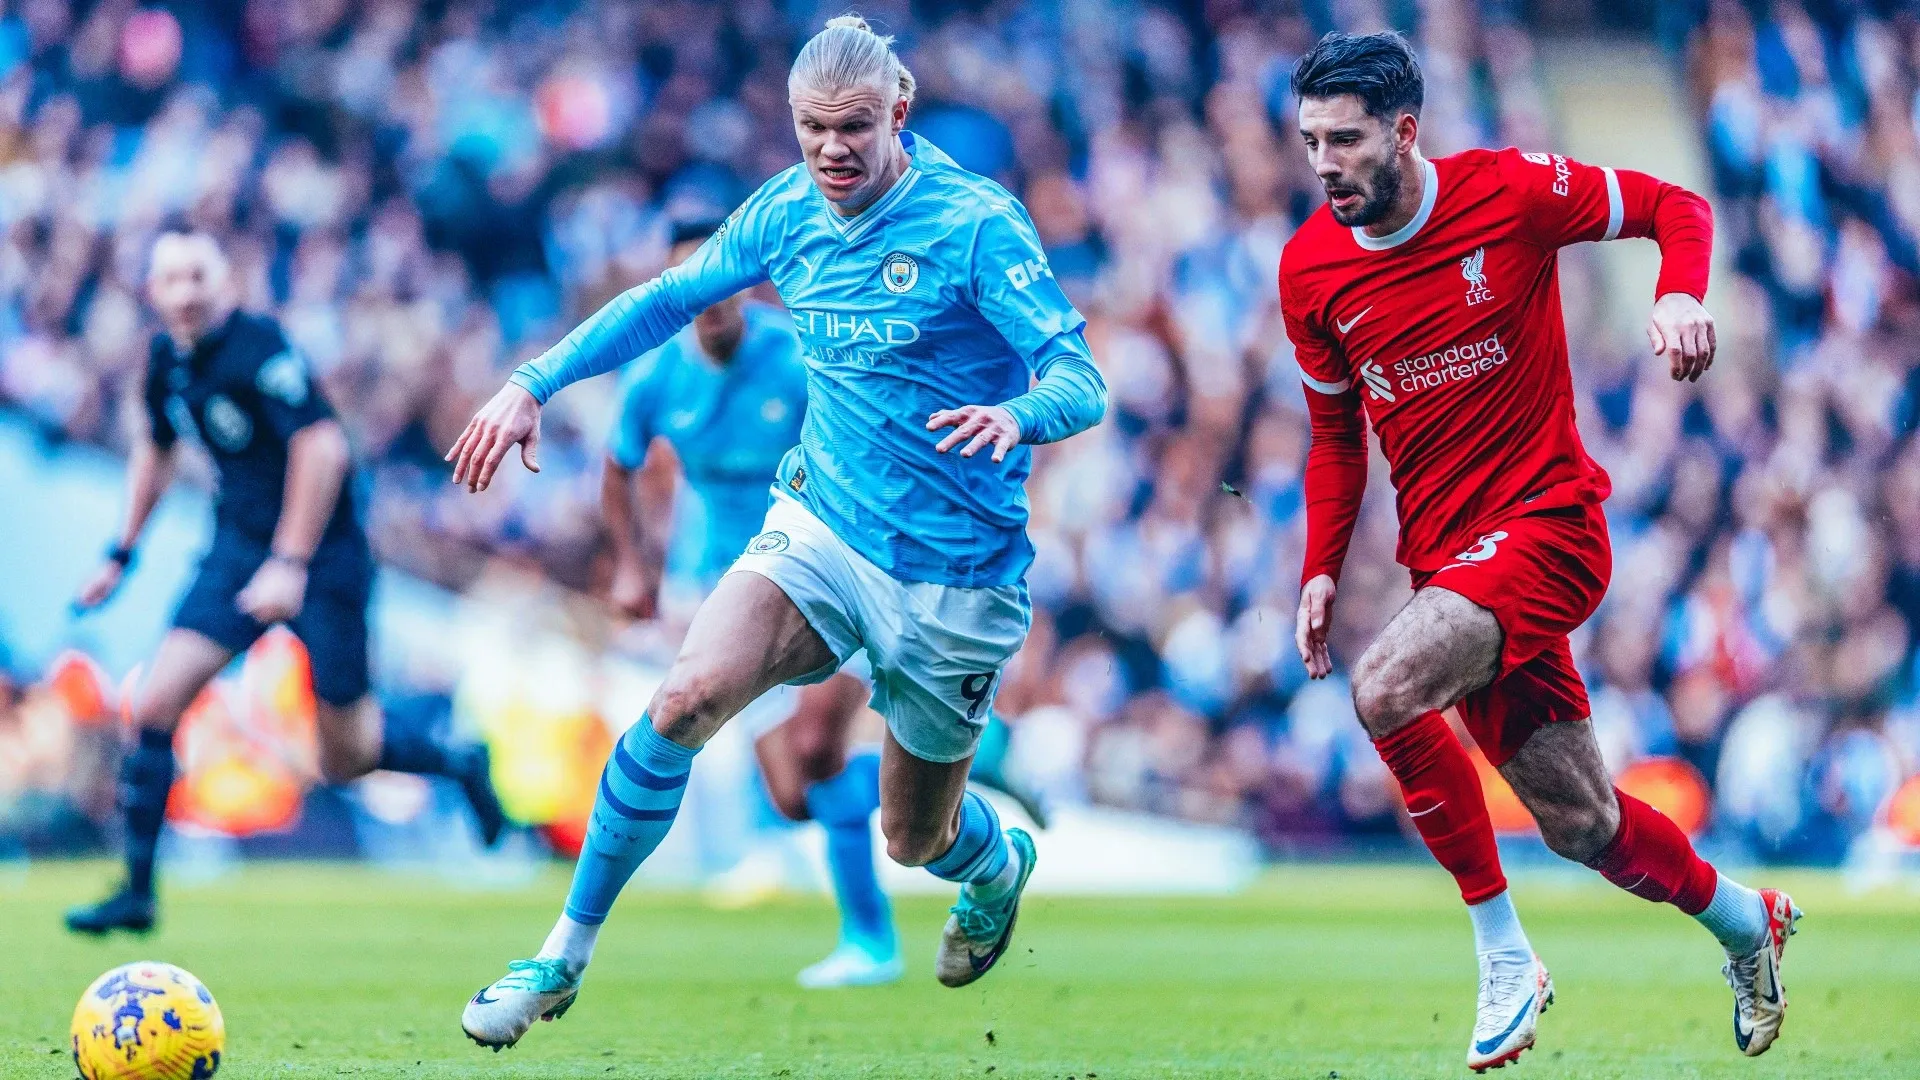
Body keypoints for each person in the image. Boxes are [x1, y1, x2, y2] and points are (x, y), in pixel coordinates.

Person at [452, 15, 1105, 1050]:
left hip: (957, 575)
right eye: (812, 132)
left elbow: (1081, 380)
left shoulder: (974, 223)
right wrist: (533, 382)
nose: (832, 152)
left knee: (913, 835)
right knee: (683, 697)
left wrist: (1017, 415)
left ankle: (992, 863)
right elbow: (668, 299)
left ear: (900, 109)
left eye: (852, 128)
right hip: (823, 532)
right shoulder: (785, 212)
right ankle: (562, 957)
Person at [1279, 32, 1799, 1072]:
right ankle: (1749, 923)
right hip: (1451, 571)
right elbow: (1336, 435)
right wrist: (1322, 565)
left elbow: (1675, 208)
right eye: (1309, 142)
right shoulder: (1310, 270)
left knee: (1384, 690)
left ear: (1405, 130)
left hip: (1551, 527)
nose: (1324, 163)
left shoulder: (1510, 194)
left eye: (1344, 139)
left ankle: (1505, 954)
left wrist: (1679, 294)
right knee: (1583, 823)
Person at [64, 230, 508, 936]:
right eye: (170, 280)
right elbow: (156, 445)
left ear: (224, 283)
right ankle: (138, 891)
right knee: (153, 702)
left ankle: (458, 762)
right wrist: (120, 553)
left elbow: (322, 444)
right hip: (236, 551)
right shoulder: (165, 359)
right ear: (152, 291)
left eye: (197, 278)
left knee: (346, 757)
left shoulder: (260, 346)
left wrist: (291, 561)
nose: (184, 293)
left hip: (323, 563)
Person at [599, 215, 901, 989]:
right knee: (798, 796)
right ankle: (966, 766)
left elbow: (868, 443)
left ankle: (871, 938)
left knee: (814, 751)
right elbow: (618, 466)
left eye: (719, 279)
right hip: (731, 586)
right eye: (689, 283)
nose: (709, 298)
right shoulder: (658, 376)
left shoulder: (796, 357)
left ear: (744, 283)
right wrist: (632, 566)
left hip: (829, 571)